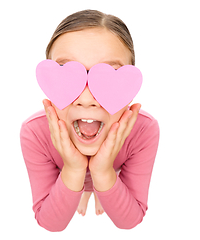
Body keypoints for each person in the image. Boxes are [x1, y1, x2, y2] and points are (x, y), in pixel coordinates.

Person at [20, 9, 159, 232]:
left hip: (113, 173)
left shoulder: (143, 129)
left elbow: (130, 221)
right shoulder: (35, 132)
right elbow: (50, 224)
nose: (86, 99)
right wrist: (73, 171)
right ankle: (86, 189)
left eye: (108, 75)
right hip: (68, 177)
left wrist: (104, 174)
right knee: (82, 187)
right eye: (67, 73)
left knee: (104, 187)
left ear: (131, 88)